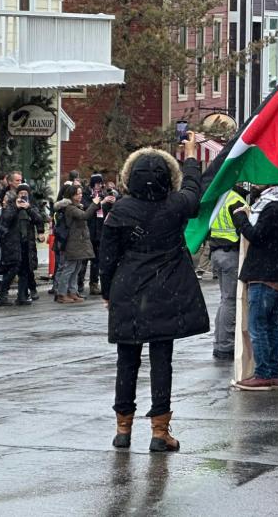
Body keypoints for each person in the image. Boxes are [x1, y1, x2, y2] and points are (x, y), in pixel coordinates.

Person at [99, 137, 210, 453]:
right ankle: (159, 432)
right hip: (166, 289)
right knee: (162, 361)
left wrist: (108, 292)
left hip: (128, 290)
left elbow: (106, 259)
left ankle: (123, 429)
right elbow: (192, 191)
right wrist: (190, 159)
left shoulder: (119, 210)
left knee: (127, 360)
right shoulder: (176, 206)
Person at [229, 184, 278, 391]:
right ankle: (272, 372)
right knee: (271, 324)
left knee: (259, 325)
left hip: (264, 273)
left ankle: (264, 372)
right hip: (275, 274)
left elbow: (257, 235)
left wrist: (240, 219)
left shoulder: (271, 208)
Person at [206, 183, 249, 361]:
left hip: (216, 251)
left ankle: (220, 342)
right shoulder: (236, 201)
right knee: (230, 300)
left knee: (225, 300)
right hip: (230, 252)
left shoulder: (220, 198)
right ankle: (225, 345)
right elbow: (244, 230)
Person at [53, 184, 110, 303]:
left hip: (79, 242)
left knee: (76, 268)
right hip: (72, 242)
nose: (80, 196)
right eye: (77, 194)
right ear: (71, 195)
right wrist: (94, 203)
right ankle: (61, 294)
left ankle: (72, 292)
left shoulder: (77, 206)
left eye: (80, 193)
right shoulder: (70, 208)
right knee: (68, 269)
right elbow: (85, 216)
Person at [0, 184, 45, 306]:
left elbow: (39, 219)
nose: (23, 195)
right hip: (13, 243)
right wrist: (15, 208)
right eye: (21, 193)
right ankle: (2, 295)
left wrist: (28, 208)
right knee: (12, 270)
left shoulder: (31, 206)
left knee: (25, 270)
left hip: (26, 243)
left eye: (25, 193)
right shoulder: (12, 205)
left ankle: (22, 296)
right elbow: (4, 221)